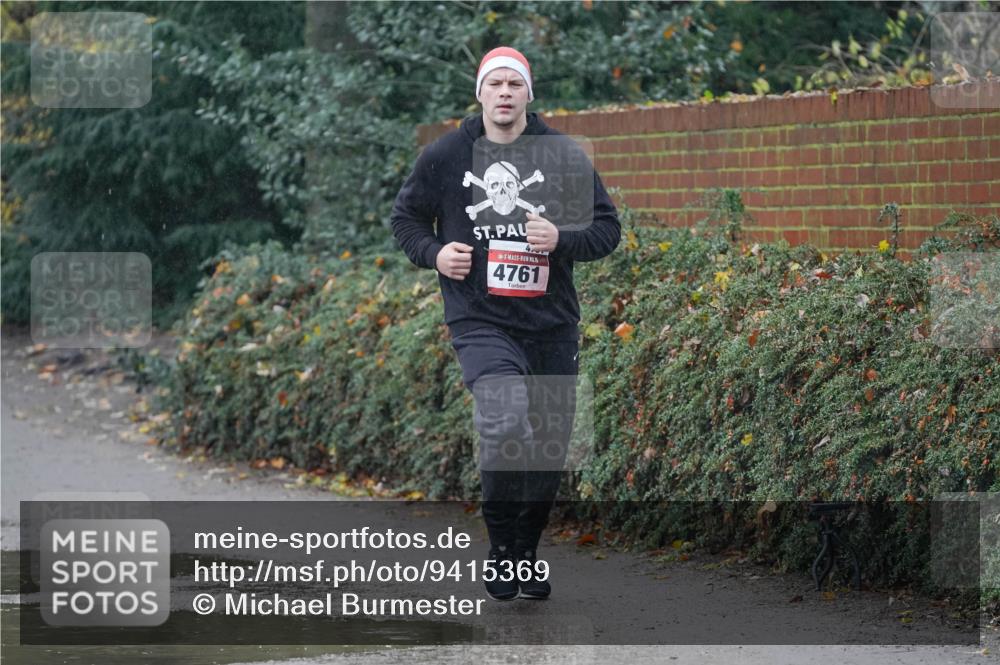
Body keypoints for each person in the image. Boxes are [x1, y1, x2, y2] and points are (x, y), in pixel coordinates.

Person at [390, 46, 620, 601]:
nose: (504, 93)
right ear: (480, 93)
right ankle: (499, 549)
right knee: (503, 413)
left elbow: (608, 231)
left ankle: (524, 553)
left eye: (514, 85)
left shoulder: (562, 155)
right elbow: (407, 219)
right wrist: (435, 253)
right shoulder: (446, 154)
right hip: (480, 318)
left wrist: (561, 239)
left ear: (527, 94)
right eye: (494, 84)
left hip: (551, 324)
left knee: (546, 448)